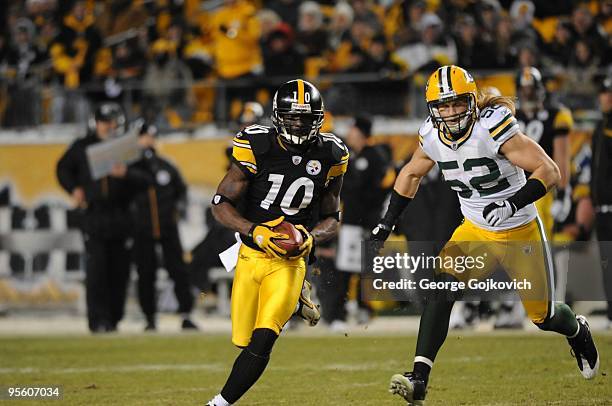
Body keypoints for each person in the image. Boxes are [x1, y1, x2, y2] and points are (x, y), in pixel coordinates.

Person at [371, 65, 599, 405]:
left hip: (520, 229)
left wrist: (512, 203)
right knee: (441, 285)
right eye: (442, 106)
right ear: (432, 108)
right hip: (475, 229)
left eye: (457, 104)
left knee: (544, 316)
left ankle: (577, 331)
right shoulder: (431, 135)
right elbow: (410, 173)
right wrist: (386, 223)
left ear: (472, 102)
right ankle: (418, 377)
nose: (450, 113)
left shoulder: (492, 128)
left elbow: (549, 171)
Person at [206, 79, 348, 406]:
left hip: (290, 260)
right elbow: (219, 203)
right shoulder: (256, 144)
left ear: (319, 118)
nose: (299, 124)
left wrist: (311, 237)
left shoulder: (332, 153)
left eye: (307, 117)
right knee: (243, 341)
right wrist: (253, 230)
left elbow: (332, 218)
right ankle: (298, 302)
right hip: (251, 253)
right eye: (292, 116)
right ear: (277, 116)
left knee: (263, 339)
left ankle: (218, 404)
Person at [56, 102, 149, 333]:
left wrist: (127, 173)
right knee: (96, 271)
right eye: (104, 121)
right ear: (96, 123)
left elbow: (147, 179)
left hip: (122, 215)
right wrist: (74, 189)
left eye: (112, 121)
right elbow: (62, 169)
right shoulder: (81, 146)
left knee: (120, 271)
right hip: (94, 215)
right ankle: (98, 321)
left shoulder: (127, 147)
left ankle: (114, 318)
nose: (108, 126)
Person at [494, 66, 573, 328]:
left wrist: (564, 193)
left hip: (541, 190)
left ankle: (543, 307)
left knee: (535, 251)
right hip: (512, 190)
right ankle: (513, 306)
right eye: (524, 90)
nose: (527, 94)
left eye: (531, 90)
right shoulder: (508, 118)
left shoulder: (556, 115)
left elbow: (560, 159)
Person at [130, 122, 197, 331]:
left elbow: (181, 191)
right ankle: (149, 317)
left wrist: (177, 210)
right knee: (145, 273)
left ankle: (186, 314)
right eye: (144, 137)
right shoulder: (129, 168)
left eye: (151, 136)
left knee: (178, 271)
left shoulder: (166, 166)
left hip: (168, 228)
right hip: (143, 230)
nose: (148, 141)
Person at [591, 75, 612, 328]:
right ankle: (610, 313)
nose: (606, 97)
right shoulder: (600, 126)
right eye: (603, 93)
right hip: (602, 209)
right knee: (607, 264)